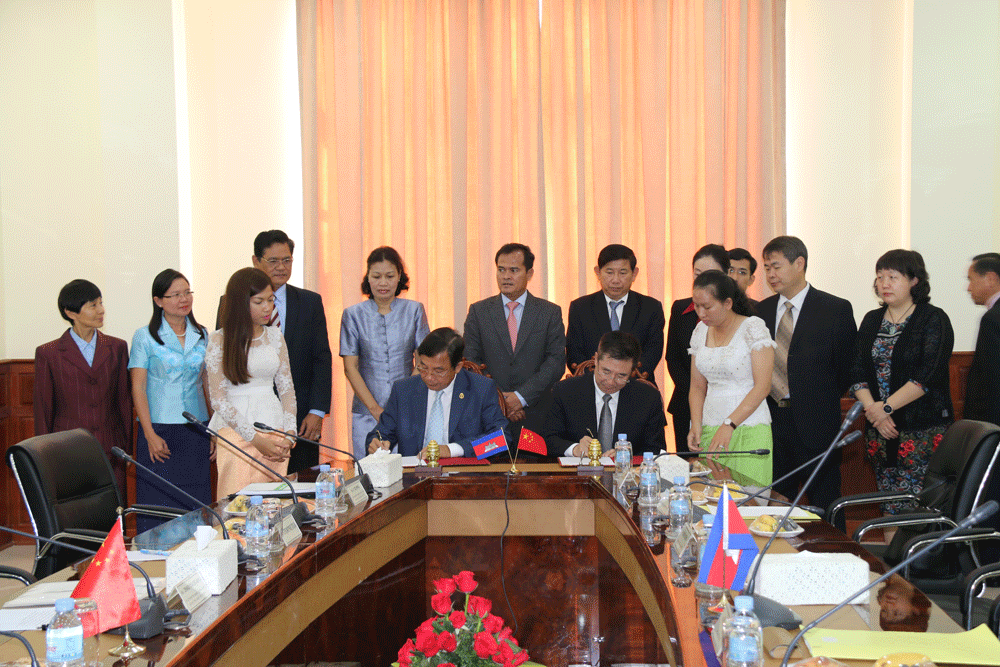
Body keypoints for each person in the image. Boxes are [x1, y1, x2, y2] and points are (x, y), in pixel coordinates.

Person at [219, 230, 332, 474]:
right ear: (256, 261)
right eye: (273, 261)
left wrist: (316, 411)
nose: (281, 267)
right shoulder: (231, 301)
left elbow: (321, 358)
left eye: (287, 260)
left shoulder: (310, 302)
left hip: (299, 420)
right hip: (244, 421)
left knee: (299, 493)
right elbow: (226, 364)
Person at [851, 249, 954, 513]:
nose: (884, 283)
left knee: (923, 509)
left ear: (914, 281)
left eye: (893, 276)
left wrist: (884, 409)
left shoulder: (933, 318)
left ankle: (921, 555)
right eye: (880, 276)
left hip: (922, 431)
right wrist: (876, 414)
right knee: (890, 505)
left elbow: (927, 375)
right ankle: (892, 556)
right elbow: (857, 371)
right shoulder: (872, 320)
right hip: (880, 432)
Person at [758, 237, 856, 512]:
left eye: (775, 266)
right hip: (771, 420)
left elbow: (845, 368)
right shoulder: (760, 311)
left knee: (826, 500)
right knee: (773, 500)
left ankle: (833, 553)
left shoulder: (834, 309)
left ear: (799, 264)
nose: (770, 275)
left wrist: (815, 396)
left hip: (816, 421)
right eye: (766, 268)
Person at [129, 270, 212, 531]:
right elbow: (138, 387)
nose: (184, 299)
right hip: (160, 430)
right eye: (175, 294)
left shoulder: (203, 334)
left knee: (195, 503)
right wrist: (149, 433)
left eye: (187, 292)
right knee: (160, 504)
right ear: (158, 301)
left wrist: (213, 430)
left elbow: (207, 383)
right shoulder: (145, 336)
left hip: (197, 428)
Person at [207, 268, 298, 500]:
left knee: (275, 506)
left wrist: (290, 433)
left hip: (274, 427)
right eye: (259, 301)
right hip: (236, 431)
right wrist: (255, 439)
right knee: (237, 504)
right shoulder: (219, 339)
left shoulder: (275, 336)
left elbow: (287, 390)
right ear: (240, 303)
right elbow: (219, 400)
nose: (267, 307)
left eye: (270, 300)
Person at [34, 280, 132, 494]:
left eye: (101, 303)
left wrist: (127, 449)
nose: (101, 310)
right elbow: (43, 410)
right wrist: (43, 456)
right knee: (75, 517)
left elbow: (124, 401)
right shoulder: (48, 353)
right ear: (71, 312)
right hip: (67, 451)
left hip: (111, 450)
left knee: (113, 516)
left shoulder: (117, 347)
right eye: (93, 305)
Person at [463, 243, 565, 445]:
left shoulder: (549, 312)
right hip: (489, 415)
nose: (505, 276)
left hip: (535, 414)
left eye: (513, 270)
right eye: (501, 270)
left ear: (529, 273)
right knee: (489, 471)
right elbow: (470, 361)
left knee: (535, 473)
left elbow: (555, 363)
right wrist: (501, 400)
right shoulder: (479, 311)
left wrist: (521, 397)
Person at [340, 247, 430, 459]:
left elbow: (423, 361)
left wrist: (402, 404)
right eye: (376, 276)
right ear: (367, 278)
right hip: (366, 413)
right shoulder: (353, 315)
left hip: (408, 411)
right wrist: (376, 410)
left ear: (399, 276)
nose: (383, 283)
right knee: (370, 477)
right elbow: (350, 367)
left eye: (390, 276)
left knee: (408, 473)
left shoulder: (414, 310)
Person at [687, 271, 774, 487]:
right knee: (713, 498)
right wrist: (696, 424)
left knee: (749, 501)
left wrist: (730, 424)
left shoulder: (752, 327)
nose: (701, 313)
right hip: (711, 425)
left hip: (749, 424)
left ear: (727, 303)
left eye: (707, 307)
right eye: (696, 306)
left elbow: (762, 387)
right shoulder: (700, 331)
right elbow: (697, 386)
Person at [366, 328, 509, 459]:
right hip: (414, 479)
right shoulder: (403, 390)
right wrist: (376, 443)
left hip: (462, 479)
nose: (428, 377)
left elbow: (501, 439)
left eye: (438, 371)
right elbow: (380, 433)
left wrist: (452, 450)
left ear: (457, 367)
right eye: (423, 367)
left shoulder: (480, 388)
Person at [544, 331, 667, 458]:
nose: (611, 382)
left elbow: (656, 449)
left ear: (632, 370)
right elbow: (549, 439)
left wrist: (626, 457)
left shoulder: (648, 398)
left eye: (621, 376)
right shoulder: (565, 391)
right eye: (606, 371)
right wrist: (575, 449)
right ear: (596, 359)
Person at [566, 244, 665, 383]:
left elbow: (652, 352)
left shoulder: (650, 308)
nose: (616, 280)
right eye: (609, 272)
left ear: (634, 273)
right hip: (592, 387)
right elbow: (574, 352)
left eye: (623, 272)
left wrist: (623, 378)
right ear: (598, 272)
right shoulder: (580, 307)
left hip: (637, 386)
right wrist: (601, 381)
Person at [665, 244, 730, 452]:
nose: (702, 281)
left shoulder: (740, 314)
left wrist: (713, 395)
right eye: (697, 274)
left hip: (727, 407)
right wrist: (696, 393)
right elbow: (673, 358)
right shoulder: (680, 308)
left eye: (710, 275)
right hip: (685, 403)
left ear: (726, 275)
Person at [964, 252, 1000, 426]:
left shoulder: (993, 319)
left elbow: (991, 379)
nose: (968, 288)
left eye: (971, 279)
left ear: (991, 278)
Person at [728, 247, 759, 313]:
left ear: (751, 280)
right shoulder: (710, 305)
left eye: (742, 272)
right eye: (731, 270)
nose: (734, 278)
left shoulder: (759, 309)